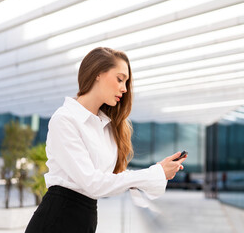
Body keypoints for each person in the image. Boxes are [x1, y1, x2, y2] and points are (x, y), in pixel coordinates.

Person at [25, 47, 187, 233]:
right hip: (56, 221)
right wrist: (153, 173)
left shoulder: (107, 126)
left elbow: (110, 179)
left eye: (126, 82)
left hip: (85, 220)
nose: (124, 89)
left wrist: (160, 170)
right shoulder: (65, 119)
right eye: (120, 79)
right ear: (97, 73)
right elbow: (93, 183)